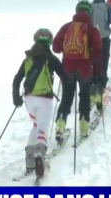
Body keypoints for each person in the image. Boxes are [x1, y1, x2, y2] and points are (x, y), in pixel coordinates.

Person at [12, 28, 70, 179]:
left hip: (29, 99)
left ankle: (30, 161)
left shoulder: (28, 59)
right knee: (43, 128)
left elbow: (17, 79)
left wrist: (16, 97)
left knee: (36, 126)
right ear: (49, 42)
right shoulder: (50, 58)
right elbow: (65, 76)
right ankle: (39, 154)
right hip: (45, 98)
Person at [52, 0, 104, 141]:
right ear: (90, 13)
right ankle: (83, 125)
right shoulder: (92, 30)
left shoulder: (67, 27)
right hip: (85, 69)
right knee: (85, 96)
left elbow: (55, 47)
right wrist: (99, 73)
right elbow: (98, 52)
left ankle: (60, 126)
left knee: (67, 98)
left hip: (67, 68)